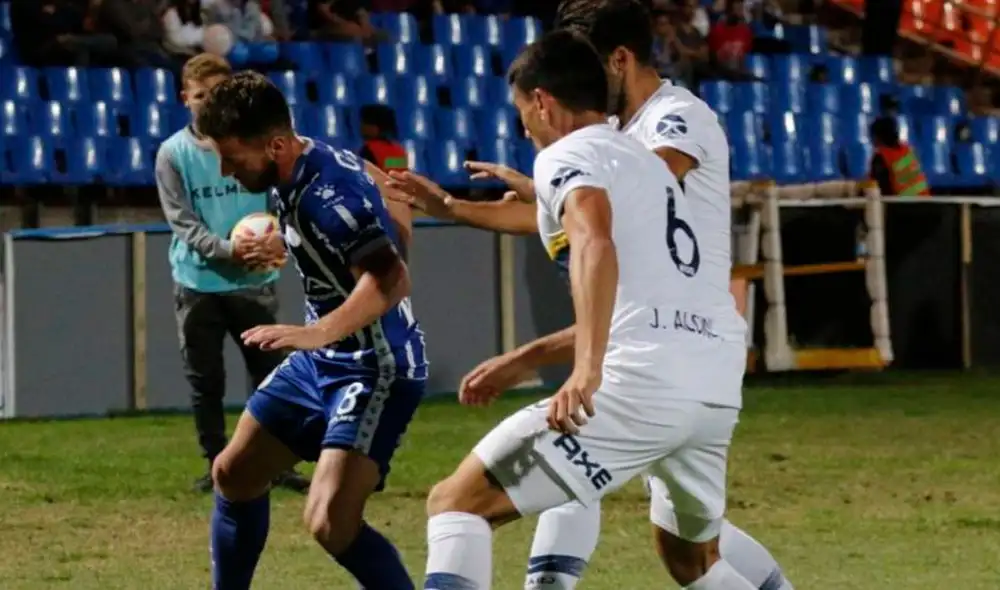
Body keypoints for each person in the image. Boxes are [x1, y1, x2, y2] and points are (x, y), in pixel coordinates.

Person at [388, 2, 793, 587]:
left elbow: (595, 238)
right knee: (691, 559)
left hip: (644, 375)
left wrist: (586, 368)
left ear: (544, 102)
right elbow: (602, 213)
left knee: (457, 503)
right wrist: (457, 207)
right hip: (709, 376)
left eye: (523, 112)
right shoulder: (631, 157)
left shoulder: (612, 140)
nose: (524, 126)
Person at [195, 70, 427, 590]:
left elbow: (391, 280)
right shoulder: (303, 164)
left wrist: (317, 333)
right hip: (323, 361)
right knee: (234, 474)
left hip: (375, 366)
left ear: (275, 144)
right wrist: (300, 243)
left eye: (233, 156)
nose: (227, 171)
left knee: (329, 524)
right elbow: (390, 191)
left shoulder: (326, 193)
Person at [155, 53, 310, 495]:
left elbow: (280, 197)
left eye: (217, 94)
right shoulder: (173, 153)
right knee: (206, 382)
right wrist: (227, 250)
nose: (208, 103)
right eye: (201, 95)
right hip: (198, 281)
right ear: (185, 98)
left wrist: (276, 238)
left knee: (271, 377)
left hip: (254, 281)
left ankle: (278, 465)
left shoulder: (256, 145)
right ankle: (216, 464)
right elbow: (181, 220)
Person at [869, 116, 930, 197]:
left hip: (904, 205)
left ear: (877, 137)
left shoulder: (881, 158)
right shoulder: (908, 150)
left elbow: (880, 190)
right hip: (927, 202)